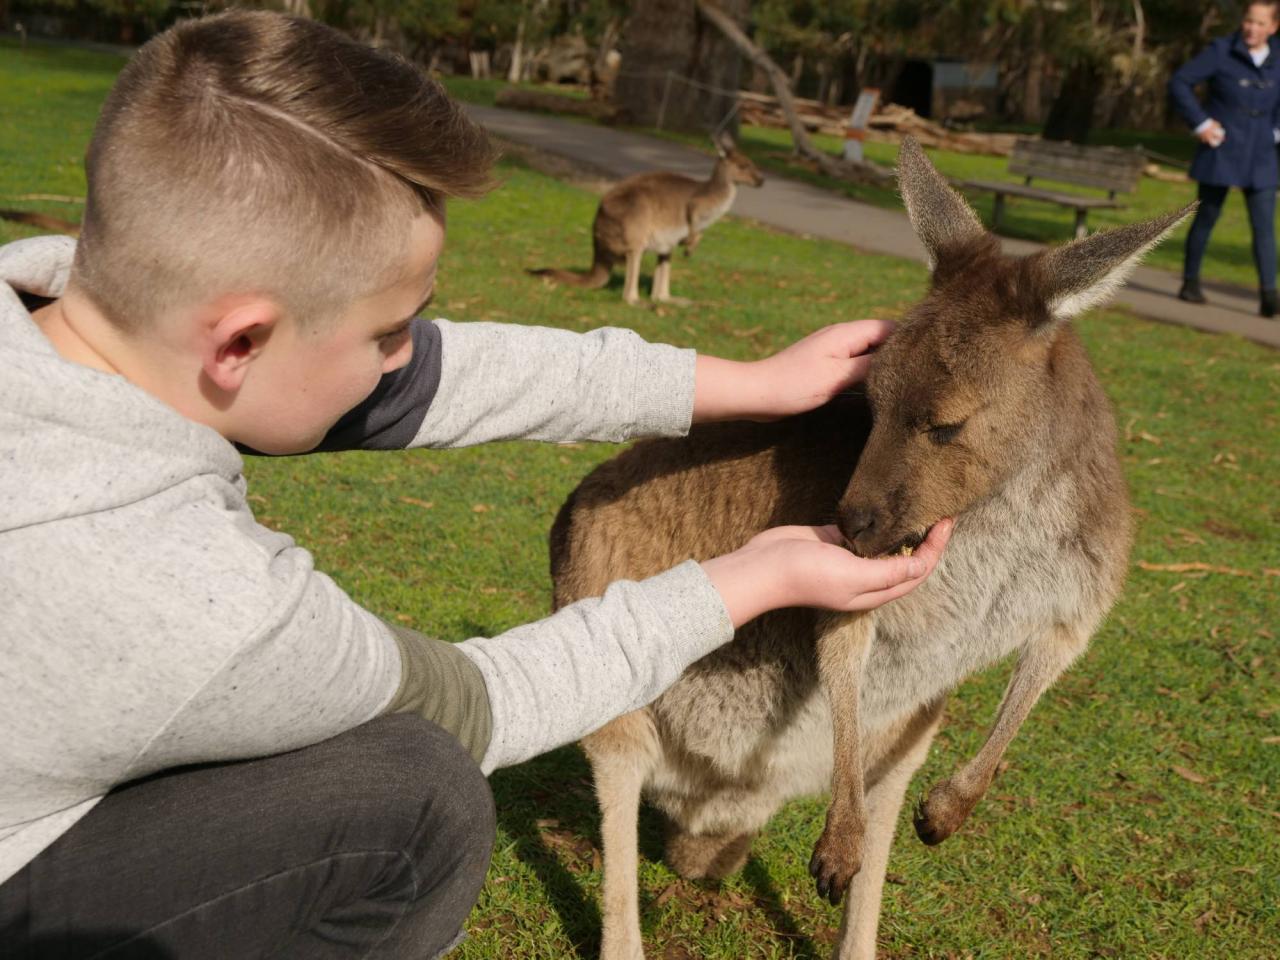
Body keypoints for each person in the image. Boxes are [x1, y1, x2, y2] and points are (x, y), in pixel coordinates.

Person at [0, 11, 952, 959]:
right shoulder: (199, 601)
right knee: (418, 797)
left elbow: (443, 378)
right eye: (390, 331)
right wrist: (751, 581)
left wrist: (746, 386)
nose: (409, 353)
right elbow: (472, 703)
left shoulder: (81, 319)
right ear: (241, 341)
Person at [1169, 0, 1280, 317]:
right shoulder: (1222, 50)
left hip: (1261, 155)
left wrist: (1276, 131)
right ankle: (1190, 282)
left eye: (1260, 23)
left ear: (1273, 27)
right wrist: (1201, 123)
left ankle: (1269, 295)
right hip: (1222, 150)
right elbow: (1180, 82)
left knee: (1264, 227)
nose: (1252, 29)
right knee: (1206, 217)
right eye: (1248, 21)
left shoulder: (1279, 57)